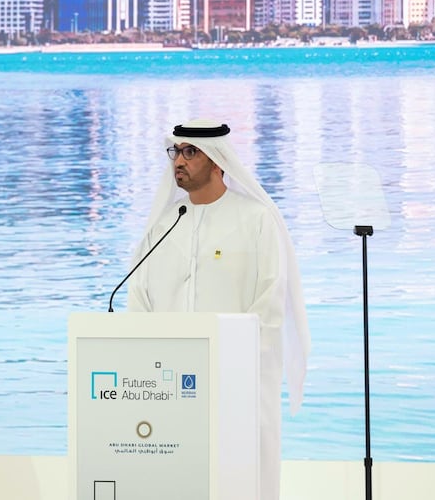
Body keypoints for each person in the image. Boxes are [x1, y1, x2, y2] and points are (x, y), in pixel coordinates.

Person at [127, 118, 311, 500]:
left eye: (190, 151)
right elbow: (139, 298)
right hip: (169, 386)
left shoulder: (256, 220)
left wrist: (225, 357)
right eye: (175, 151)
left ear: (218, 161)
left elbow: (269, 306)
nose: (179, 160)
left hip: (237, 383)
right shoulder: (164, 223)